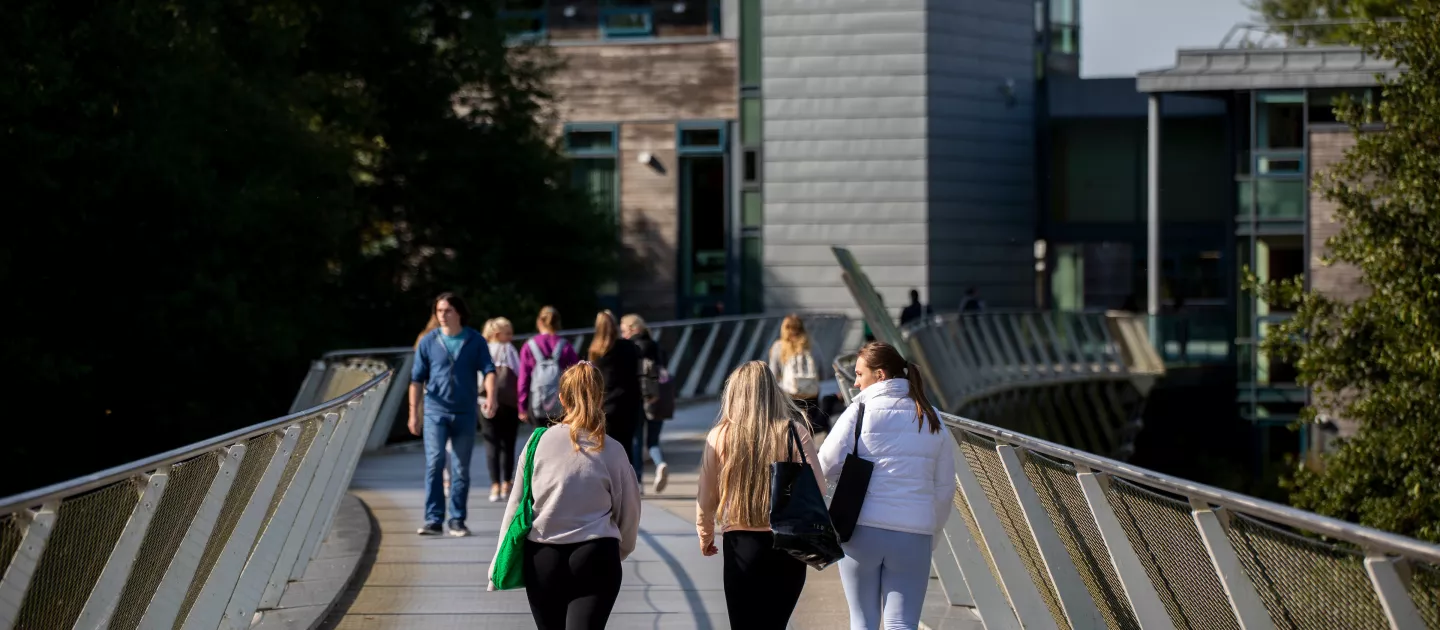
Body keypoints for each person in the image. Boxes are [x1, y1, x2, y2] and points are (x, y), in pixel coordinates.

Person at [493, 362, 641, 630]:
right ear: (599, 396)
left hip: (543, 557)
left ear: (561, 398)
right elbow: (629, 513)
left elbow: (516, 504)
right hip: (596, 554)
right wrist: (620, 550)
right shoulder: (613, 450)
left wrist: (498, 564)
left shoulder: (537, 443)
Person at [819, 341, 956, 629]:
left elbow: (825, 463)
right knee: (902, 623)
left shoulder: (859, 411)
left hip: (860, 530)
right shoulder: (931, 417)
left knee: (863, 622)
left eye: (859, 374)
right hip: (913, 534)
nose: (855, 383)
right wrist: (933, 532)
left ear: (880, 375)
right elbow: (944, 488)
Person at [697, 361, 827, 629]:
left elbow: (706, 494)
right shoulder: (793, 432)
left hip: (740, 544)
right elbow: (818, 489)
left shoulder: (720, 435)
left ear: (733, 394)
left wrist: (706, 534)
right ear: (773, 391)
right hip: (788, 544)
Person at [409, 293, 497, 537]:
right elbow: (416, 379)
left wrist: (491, 396)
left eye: (447, 310)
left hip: (465, 412)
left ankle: (457, 520)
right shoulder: (428, 342)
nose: (442, 315)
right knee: (435, 462)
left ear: (459, 312)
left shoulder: (475, 340)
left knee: (460, 468)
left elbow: (489, 370)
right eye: (439, 311)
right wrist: (413, 413)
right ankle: (434, 519)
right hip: (435, 411)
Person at [589, 311, 644, 485]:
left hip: (604, 407)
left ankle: (606, 485)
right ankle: (626, 486)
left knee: (603, 450)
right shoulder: (629, 347)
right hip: (628, 405)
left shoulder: (594, 351)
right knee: (625, 448)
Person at [621, 313, 671, 493]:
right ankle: (660, 463)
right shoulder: (656, 346)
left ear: (634, 329)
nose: (623, 334)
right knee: (653, 442)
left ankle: (638, 482)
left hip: (637, 399)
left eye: (624, 330)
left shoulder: (630, 347)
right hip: (657, 399)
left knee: (636, 440)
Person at [482, 317, 522, 502]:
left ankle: (494, 485)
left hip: (484, 401)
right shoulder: (508, 349)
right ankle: (507, 482)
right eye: (508, 333)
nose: (511, 337)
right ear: (498, 334)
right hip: (508, 403)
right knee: (508, 443)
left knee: (491, 442)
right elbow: (519, 372)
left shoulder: (483, 350)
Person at [518, 306, 580, 426]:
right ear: (557, 323)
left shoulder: (529, 346)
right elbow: (575, 376)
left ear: (539, 322)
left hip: (537, 403)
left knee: (540, 439)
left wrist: (522, 406)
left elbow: (523, 379)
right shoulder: (565, 345)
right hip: (561, 404)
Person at [769, 314, 827, 433]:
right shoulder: (812, 345)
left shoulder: (778, 347)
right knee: (809, 426)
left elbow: (773, 375)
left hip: (789, 395)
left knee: (791, 428)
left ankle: (794, 449)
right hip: (811, 394)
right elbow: (822, 371)